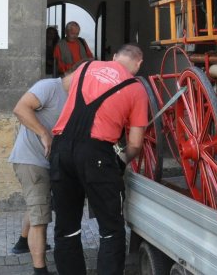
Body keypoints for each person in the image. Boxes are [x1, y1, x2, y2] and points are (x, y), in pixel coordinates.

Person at [49, 44, 148, 275]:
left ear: (113, 57)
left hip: (61, 150)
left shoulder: (86, 67)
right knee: (111, 231)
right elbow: (135, 144)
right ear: (139, 64)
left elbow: (63, 87)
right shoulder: (136, 89)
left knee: (66, 228)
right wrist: (120, 161)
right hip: (97, 155)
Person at [8, 65, 77, 275]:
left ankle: (22, 242)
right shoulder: (48, 86)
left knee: (39, 204)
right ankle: (40, 271)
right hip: (31, 160)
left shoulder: (77, 97)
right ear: (75, 74)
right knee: (41, 218)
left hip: (50, 162)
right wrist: (43, 133)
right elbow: (20, 108)